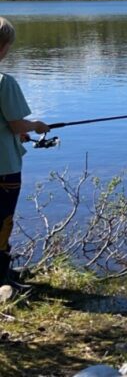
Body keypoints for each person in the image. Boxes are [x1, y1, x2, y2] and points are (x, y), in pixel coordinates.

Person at [0, 17, 49, 288]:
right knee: (3, 220)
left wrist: (16, 131)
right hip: (4, 167)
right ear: (4, 48)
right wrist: (36, 126)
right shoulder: (4, 82)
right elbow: (16, 123)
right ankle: (1, 277)